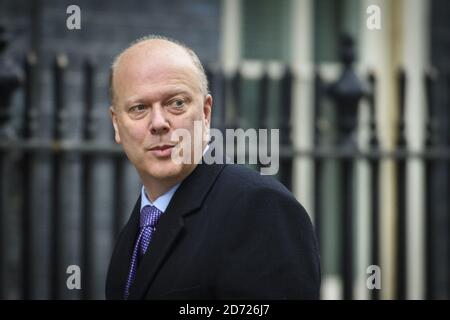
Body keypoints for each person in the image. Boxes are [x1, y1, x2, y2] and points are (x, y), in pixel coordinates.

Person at [105, 35, 321, 300]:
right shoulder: (135, 232)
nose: (159, 122)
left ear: (206, 113)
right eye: (139, 108)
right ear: (117, 124)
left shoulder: (260, 207)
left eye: (176, 103)